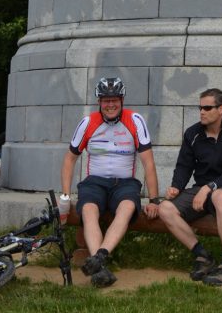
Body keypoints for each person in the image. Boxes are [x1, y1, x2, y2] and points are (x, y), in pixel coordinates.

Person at [60, 76, 159, 289]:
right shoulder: (88, 122)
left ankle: (99, 257)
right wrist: (65, 196)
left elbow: (148, 163)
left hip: (125, 183)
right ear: (99, 102)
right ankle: (100, 268)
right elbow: (69, 159)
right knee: (88, 210)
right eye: (106, 100)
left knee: (127, 207)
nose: (110, 104)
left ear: (122, 100)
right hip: (94, 182)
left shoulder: (135, 120)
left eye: (114, 100)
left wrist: (154, 200)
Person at [148, 87, 222, 287]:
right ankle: (203, 256)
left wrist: (209, 188)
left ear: (221, 109)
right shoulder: (193, 133)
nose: (202, 112)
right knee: (165, 208)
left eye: (207, 108)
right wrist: (176, 187)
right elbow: (184, 166)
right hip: (201, 191)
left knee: (220, 196)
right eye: (200, 108)